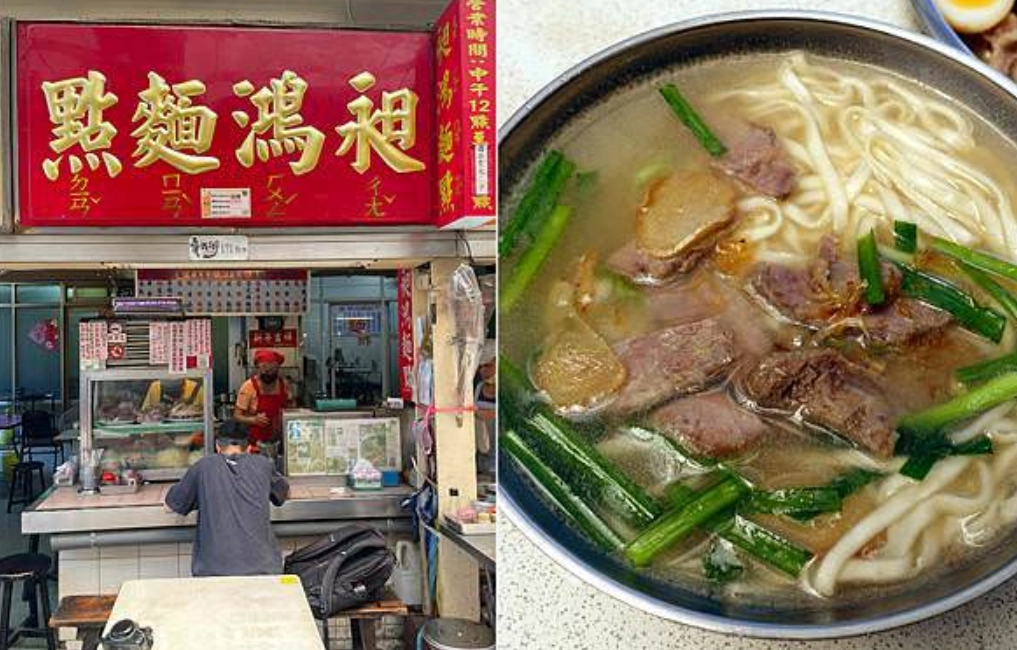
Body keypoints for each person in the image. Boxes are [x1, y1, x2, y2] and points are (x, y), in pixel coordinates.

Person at [164, 419, 289, 576]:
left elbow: (171, 505)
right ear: (249, 448)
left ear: (217, 447)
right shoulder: (264, 465)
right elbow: (283, 494)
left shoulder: (204, 466)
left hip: (214, 572)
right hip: (264, 570)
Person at [233, 349, 294, 450]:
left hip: (281, 439)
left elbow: (292, 408)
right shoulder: (248, 386)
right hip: (256, 443)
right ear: (258, 368)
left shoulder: (284, 384)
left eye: (272, 369)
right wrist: (253, 420)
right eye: (264, 369)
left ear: (277, 369)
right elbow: (237, 416)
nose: (268, 373)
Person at [140, 376, 204, 413]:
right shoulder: (155, 387)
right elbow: (145, 411)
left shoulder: (195, 388)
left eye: (176, 388)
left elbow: (207, 416)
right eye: (167, 388)